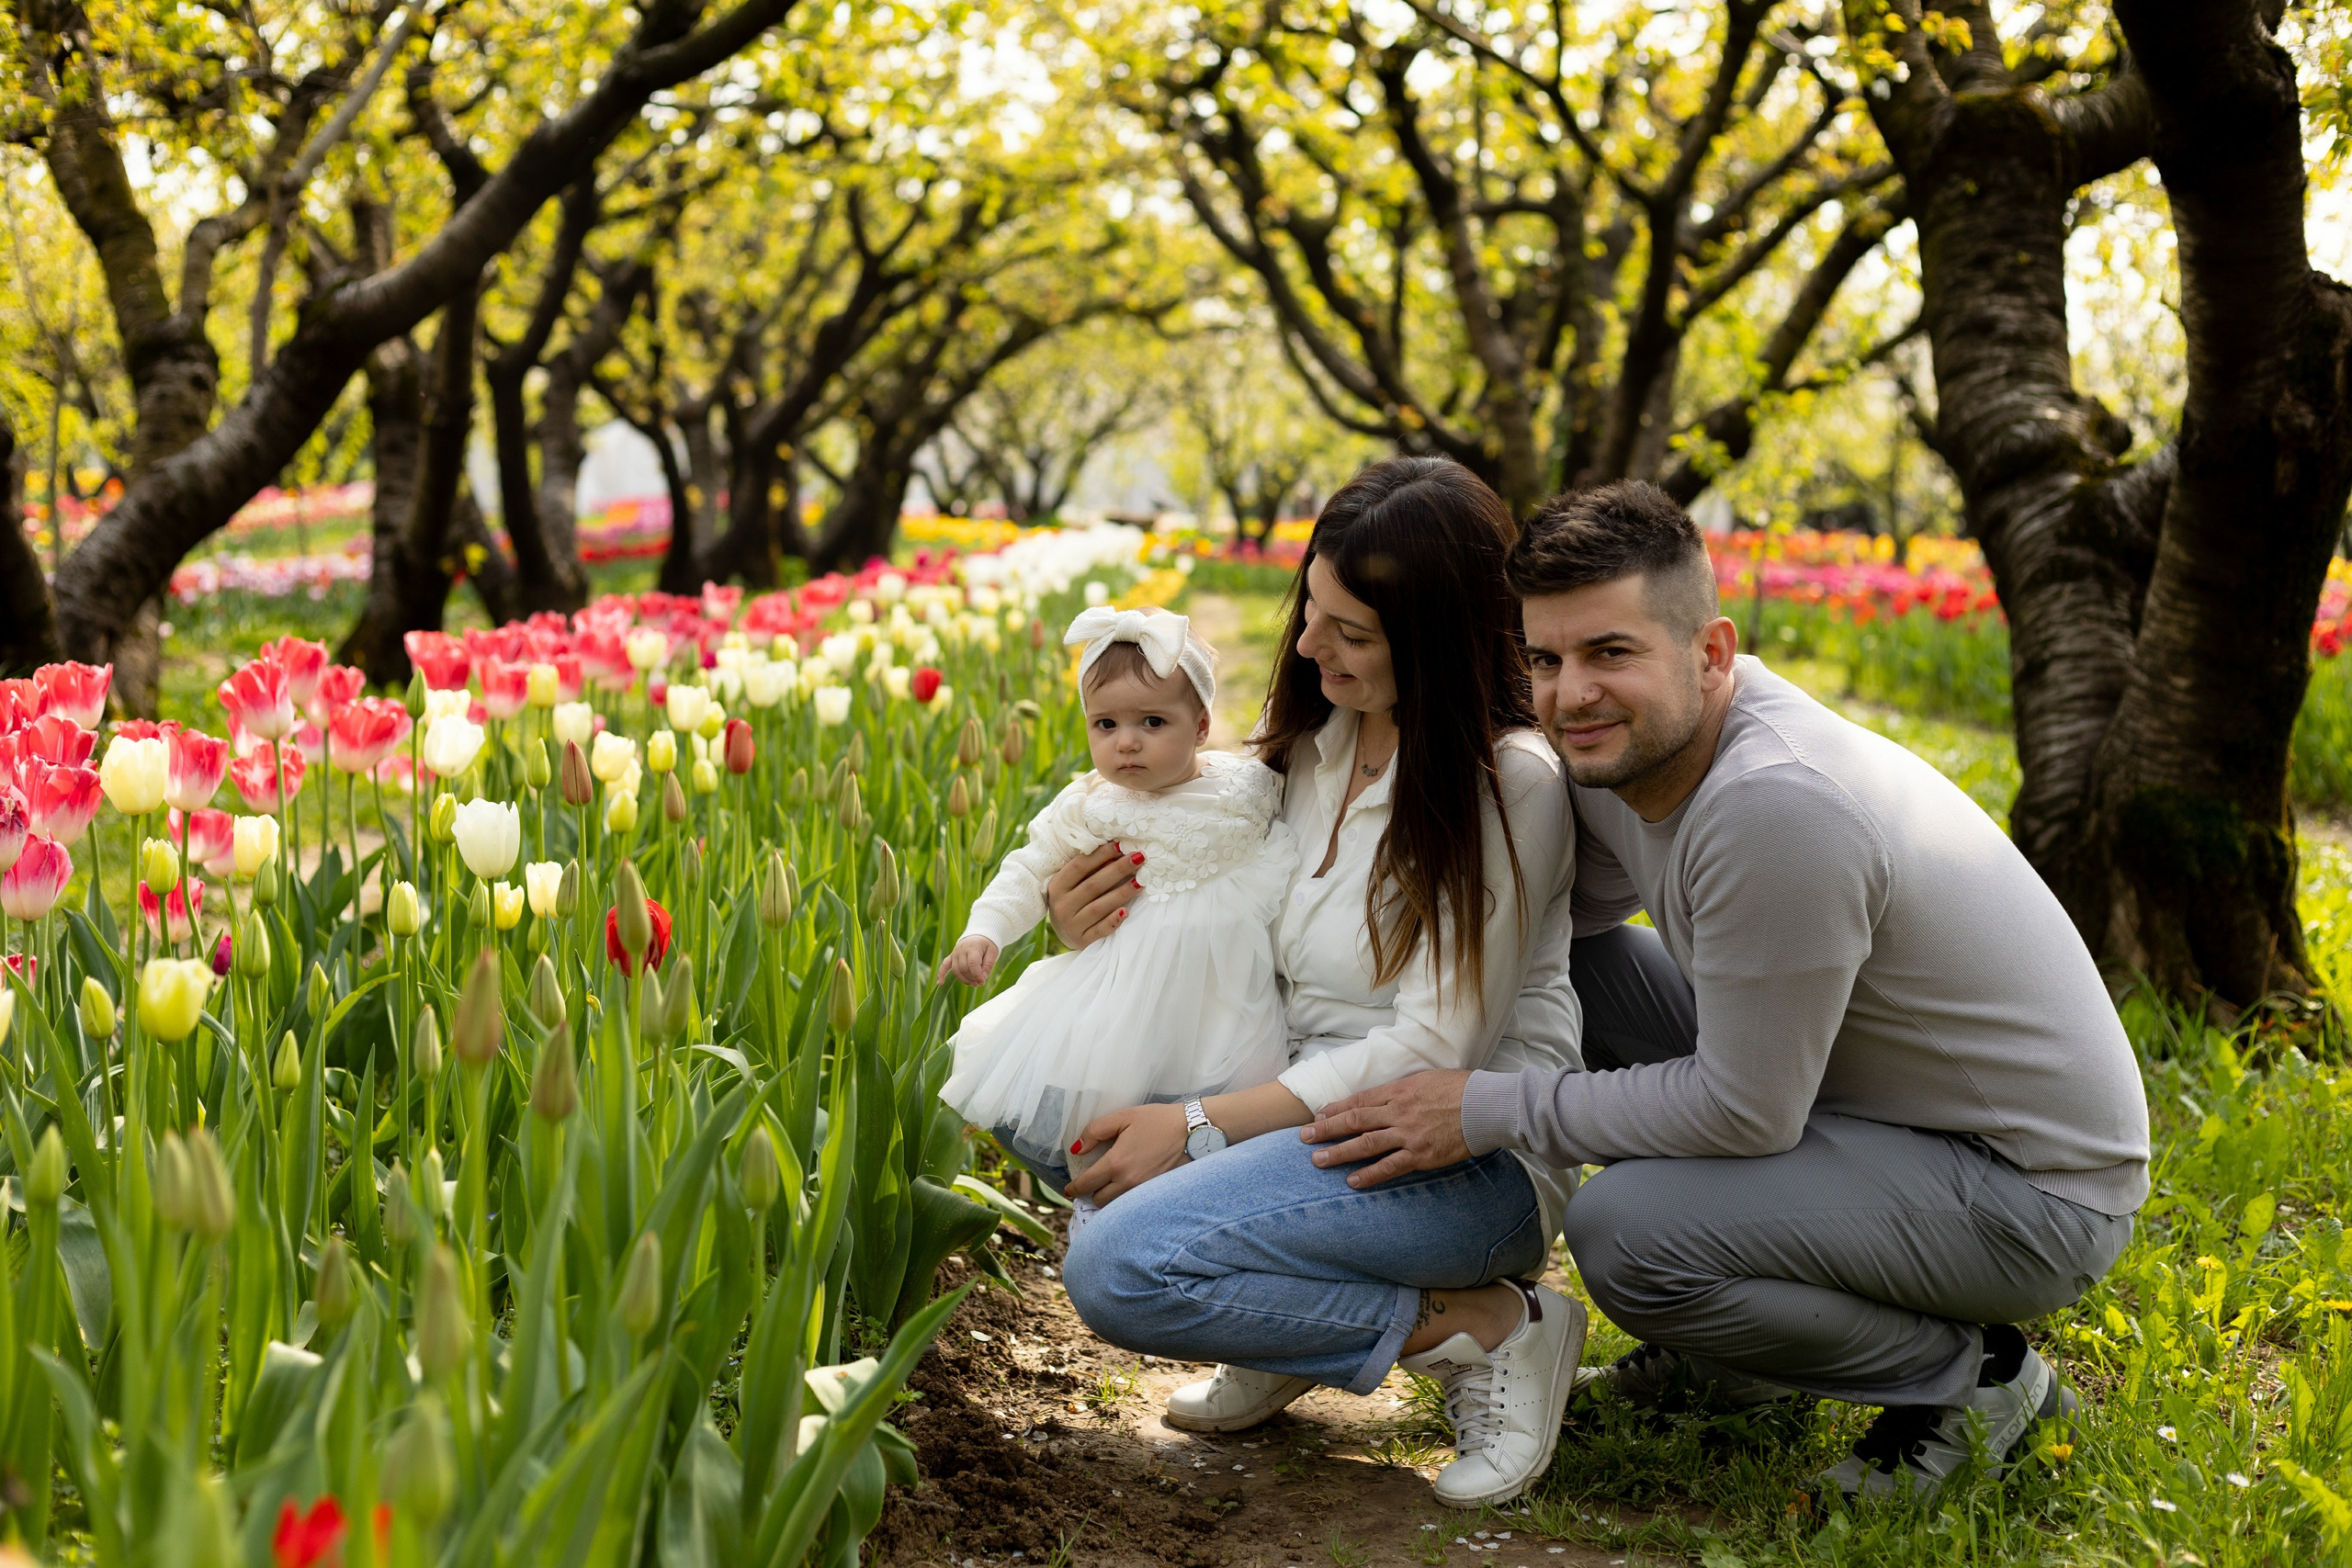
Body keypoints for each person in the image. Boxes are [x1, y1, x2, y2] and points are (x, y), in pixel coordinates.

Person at [1300, 480, 2151, 1506]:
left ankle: (1977, 1383)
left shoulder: (1773, 807)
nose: (1572, 695)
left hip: (2026, 1190)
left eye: (1611, 652)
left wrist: (1486, 1107)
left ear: (1709, 654)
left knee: (1630, 1232)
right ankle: (1745, 1360)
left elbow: (1746, 1111)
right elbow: (1525, 933)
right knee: (1577, 963)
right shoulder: (1622, 756)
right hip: (1859, 1107)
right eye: (1546, 658)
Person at [1055, 457, 1588, 1509]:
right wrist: (1089, 922)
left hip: (1452, 1153)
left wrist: (1200, 1126)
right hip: (1298, 1108)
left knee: (1116, 1270)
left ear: (1434, 638)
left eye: (1351, 632)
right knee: (1053, 1116)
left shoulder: (1507, 780)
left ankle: (1492, 1327)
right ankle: (1278, 1322)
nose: (1307, 645)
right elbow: (1209, 919)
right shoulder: (1309, 749)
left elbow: (1435, 1051)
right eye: (1312, 610)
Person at [938, 606, 1295, 1234]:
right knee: (1107, 1110)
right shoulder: (1090, 807)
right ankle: (1109, 1214)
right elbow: (1028, 867)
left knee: (1207, 1121)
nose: (1126, 741)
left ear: (1203, 724)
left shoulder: (1247, 788)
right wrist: (985, 930)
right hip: (1126, 998)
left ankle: (1177, 1226)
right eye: (1106, 723)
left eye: (1152, 721)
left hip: (1228, 1000)